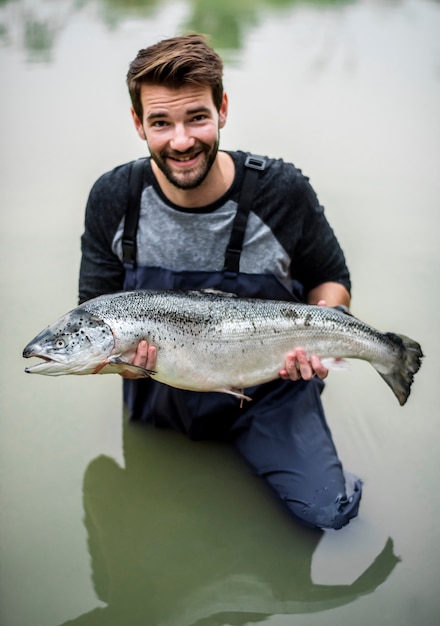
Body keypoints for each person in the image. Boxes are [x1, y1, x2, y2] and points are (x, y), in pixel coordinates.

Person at [79, 33, 362, 530]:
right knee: (154, 539)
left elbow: (330, 280)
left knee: (328, 518)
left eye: (197, 118)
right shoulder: (113, 198)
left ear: (223, 109)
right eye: (161, 122)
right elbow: (95, 320)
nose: (182, 140)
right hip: (161, 390)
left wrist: (320, 338)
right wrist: (127, 366)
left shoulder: (282, 191)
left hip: (274, 390)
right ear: (137, 123)